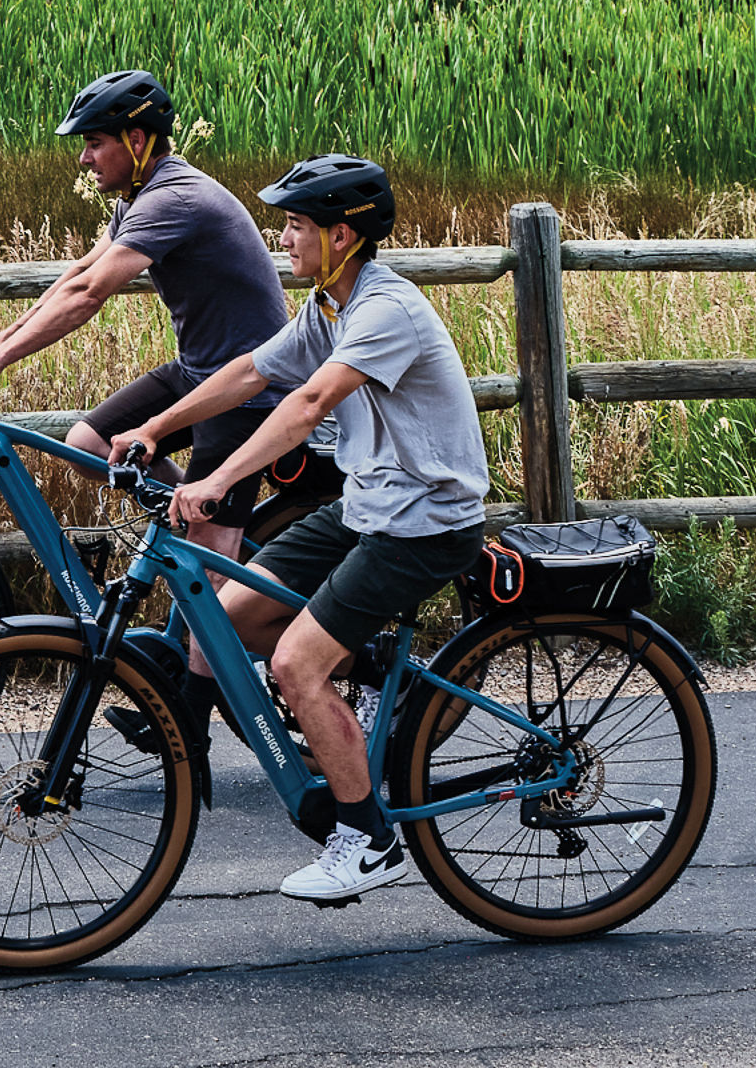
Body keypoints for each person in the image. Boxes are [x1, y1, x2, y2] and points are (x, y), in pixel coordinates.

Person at [107, 154, 489, 910]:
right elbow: (253, 372)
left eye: (296, 225)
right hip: (367, 510)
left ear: (343, 235)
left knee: (296, 665)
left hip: (424, 525)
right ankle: (373, 678)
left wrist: (215, 480)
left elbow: (309, 402)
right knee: (223, 622)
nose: (282, 238)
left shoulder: (385, 311)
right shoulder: (327, 308)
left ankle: (367, 840)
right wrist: (155, 425)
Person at [0, 73, 299, 735]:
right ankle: (210, 545)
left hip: (249, 391)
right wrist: (2, 341)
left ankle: (194, 707)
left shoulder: (175, 197)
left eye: (95, 143)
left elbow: (91, 295)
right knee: (88, 446)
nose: (84, 157)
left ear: (138, 140)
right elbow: (79, 272)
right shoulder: (141, 193)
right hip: (200, 372)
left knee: (201, 563)